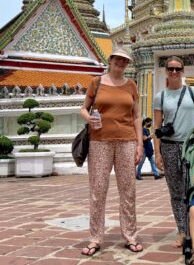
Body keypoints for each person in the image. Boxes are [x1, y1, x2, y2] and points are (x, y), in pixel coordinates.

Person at [79, 48, 144, 256]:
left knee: (128, 191)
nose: (121, 63)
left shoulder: (131, 85)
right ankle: (95, 238)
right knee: (98, 191)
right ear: (111, 60)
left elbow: (136, 117)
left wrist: (140, 144)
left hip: (127, 141)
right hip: (99, 141)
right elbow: (84, 108)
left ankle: (130, 236)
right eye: (118, 59)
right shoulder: (96, 83)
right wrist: (88, 118)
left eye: (125, 60)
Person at [153, 56, 194, 247]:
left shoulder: (192, 91)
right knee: (175, 191)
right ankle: (182, 230)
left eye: (177, 69)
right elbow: (156, 127)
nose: (174, 72)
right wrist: (157, 153)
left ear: (183, 71)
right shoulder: (161, 97)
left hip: (192, 146)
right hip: (169, 147)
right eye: (170, 69)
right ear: (166, 71)